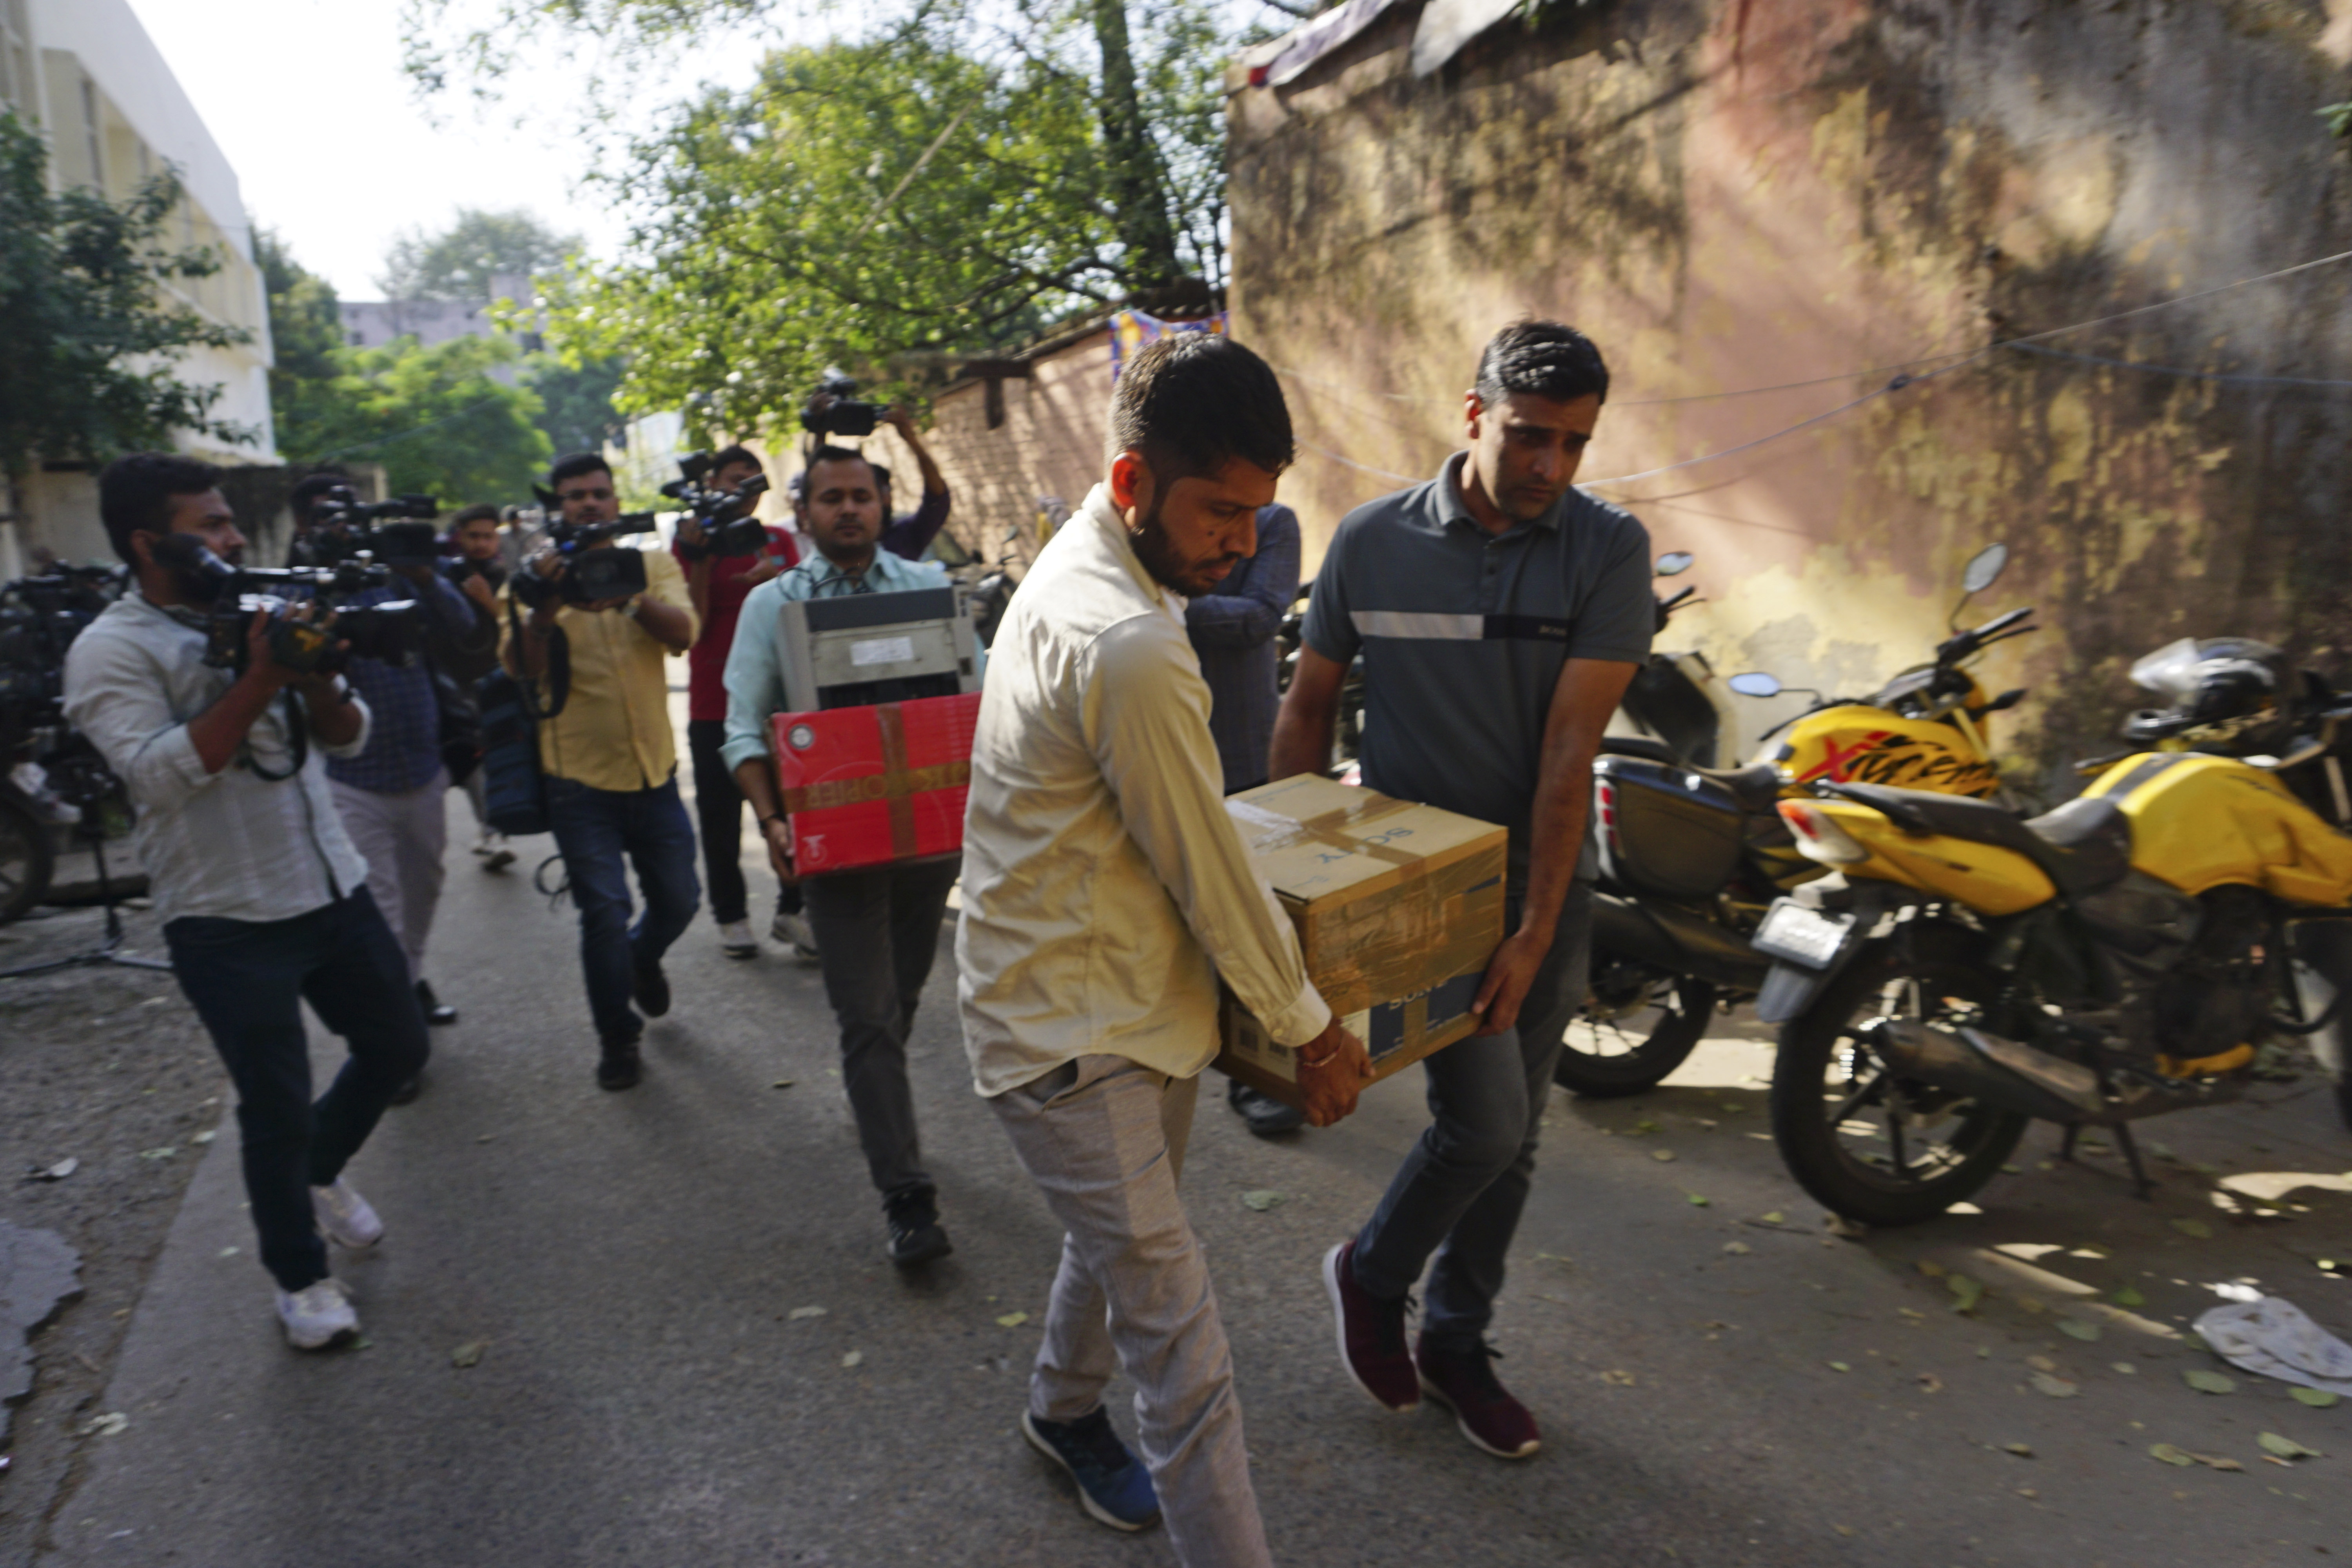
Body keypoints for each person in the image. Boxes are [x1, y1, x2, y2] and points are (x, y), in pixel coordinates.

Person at [958, 334, 1370, 1562]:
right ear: (1132, 482)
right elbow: (1210, 869)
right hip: (1071, 1038)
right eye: (1216, 510)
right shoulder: (1130, 643)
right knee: (1183, 1352)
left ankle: (1056, 1409)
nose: (1240, 541)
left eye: (1257, 513)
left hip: (1126, 999)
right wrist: (1310, 1031)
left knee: (1126, 1242)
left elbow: (1181, 858)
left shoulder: (1099, 574)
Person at [1271, 320, 1653, 1461]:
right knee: (1482, 1121)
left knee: (1518, 1134)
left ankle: (1457, 1339)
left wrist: (1536, 924)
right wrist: (1283, 884)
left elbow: (1564, 754)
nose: (1549, 466)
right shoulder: (1371, 542)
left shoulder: (1605, 548)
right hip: (1417, 889)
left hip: (1542, 888)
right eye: (1529, 436)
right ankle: (1372, 1270)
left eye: (1573, 445)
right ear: (1472, 413)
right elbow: (1304, 708)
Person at [62, 453, 428, 1351]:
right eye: (212, 526)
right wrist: (261, 677)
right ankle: (301, 1279)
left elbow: (349, 737)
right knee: (274, 1099)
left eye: (232, 521)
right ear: (152, 543)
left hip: (327, 882)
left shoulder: (263, 608)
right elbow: (154, 777)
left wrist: (309, 674)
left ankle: (318, 1167)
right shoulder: (111, 649)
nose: (234, 539)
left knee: (397, 1043)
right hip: (224, 915)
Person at [724, 445, 968, 1266]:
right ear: (805, 513)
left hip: (927, 846)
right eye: (830, 498)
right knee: (865, 1017)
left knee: (894, 1003)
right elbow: (740, 727)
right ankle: (908, 1196)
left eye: (861, 496)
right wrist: (771, 820)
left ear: (882, 503)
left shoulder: (928, 591)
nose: (848, 510)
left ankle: (876, 1101)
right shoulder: (771, 605)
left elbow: (965, 706)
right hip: (835, 846)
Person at [502, 452, 701, 1091]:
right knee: (603, 914)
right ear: (556, 508)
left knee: (680, 899)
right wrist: (547, 605)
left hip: (656, 773)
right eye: (574, 496)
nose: (588, 504)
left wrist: (630, 601)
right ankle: (618, 1037)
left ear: (617, 503)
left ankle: (643, 959)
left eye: (598, 493)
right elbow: (519, 668)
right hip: (577, 781)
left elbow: (685, 633)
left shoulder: (652, 564)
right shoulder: (533, 579)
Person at [324, 526, 491, 1080]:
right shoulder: (307, 591)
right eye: (327, 520)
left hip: (422, 769)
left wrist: (424, 577)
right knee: (383, 910)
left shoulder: (401, 578)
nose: (340, 531)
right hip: (352, 777)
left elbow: (465, 630)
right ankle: (398, 1047)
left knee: (425, 888)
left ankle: (410, 984)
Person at [1186, 501, 1308, 1138]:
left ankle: (1262, 1071)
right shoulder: (1155, 515)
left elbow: (1260, 616)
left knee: (1257, 919)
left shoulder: (1275, 522)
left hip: (1241, 750)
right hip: (1165, 744)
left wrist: (1165, 608)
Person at [672, 445, 804, 960]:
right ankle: (731, 917)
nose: (744, 489)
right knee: (720, 821)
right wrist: (702, 560)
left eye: (753, 480)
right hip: (713, 703)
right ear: (713, 484)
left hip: (776, 700)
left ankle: (794, 909)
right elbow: (692, 623)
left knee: (790, 811)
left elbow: (797, 609)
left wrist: (771, 584)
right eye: (734, 479)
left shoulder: (779, 539)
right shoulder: (691, 542)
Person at [440, 504, 515, 871]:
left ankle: (494, 828)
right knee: (471, 756)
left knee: (491, 755)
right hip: (453, 684)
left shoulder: (504, 577)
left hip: (496, 677)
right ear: (460, 537)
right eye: (473, 536)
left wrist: (489, 603)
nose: (481, 544)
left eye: (488, 536)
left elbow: (517, 628)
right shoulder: (445, 578)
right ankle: (491, 830)